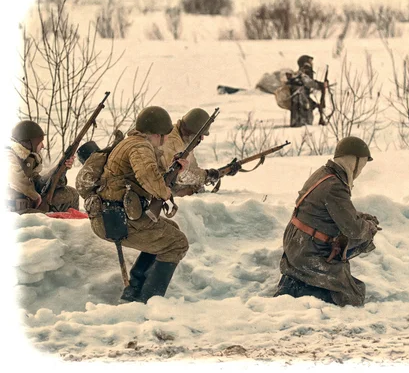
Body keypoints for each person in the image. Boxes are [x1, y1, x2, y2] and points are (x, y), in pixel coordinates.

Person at [88, 106, 190, 303]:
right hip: (116, 219)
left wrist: (175, 169)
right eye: (165, 135)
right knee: (177, 243)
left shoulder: (133, 143)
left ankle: (135, 288)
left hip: (113, 215)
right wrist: (165, 192)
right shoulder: (139, 147)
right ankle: (149, 300)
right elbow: (148, 176)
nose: (167, 139)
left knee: (171, 230)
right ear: (156, 133)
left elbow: (148, 173)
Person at [273, 136, 380, 307]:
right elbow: (353, 230)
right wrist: (370, 228)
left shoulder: (324, 174)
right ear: (353, 162)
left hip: (297, 244)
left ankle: (301, 280)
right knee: (352, 296)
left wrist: (361, 218)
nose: (360, 171)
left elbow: (330, 210)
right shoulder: (334, 186)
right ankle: (302, 289)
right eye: (361, 165)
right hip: (307, 251)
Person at [158, 108, 239, 196]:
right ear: (191, 132)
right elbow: (180, 175)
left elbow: (193, 168)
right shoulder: (172, 141)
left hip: (164, 185)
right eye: (200, 135)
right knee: (194, 188)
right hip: (158, 188)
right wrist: (206, 176)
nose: (202, 139)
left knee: (197, 187)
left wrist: (223, 171)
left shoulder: (184, 139)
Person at [6, 120, 79, 214]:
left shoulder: (30, 157)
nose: (43, 145)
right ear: (29, 142)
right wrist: (35, 196)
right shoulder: (7, 155)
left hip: (30, 204)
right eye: (40, 142)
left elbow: (38, 181)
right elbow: (15, 178)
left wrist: (61, 168)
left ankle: (73, 224)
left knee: (71, 193)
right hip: (14, 211)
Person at [287, 55, 324, 127]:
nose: (312, 64)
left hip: (301, 98)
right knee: (303, 118)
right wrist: (320, 85)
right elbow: (309, 83)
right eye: (310, 61)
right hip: (301, 98)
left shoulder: (298, 74)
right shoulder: (303, 73)